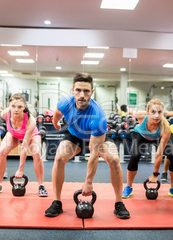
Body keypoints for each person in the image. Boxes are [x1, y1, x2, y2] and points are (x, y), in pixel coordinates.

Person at [44, 73, 130, 219]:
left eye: (86, 91)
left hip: (97, 137)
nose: (82, 95)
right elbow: (57, 113)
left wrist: (88, 182)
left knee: (114, 160)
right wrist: (55, 122)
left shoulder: (98, 117)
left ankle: (119, 203)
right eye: (78, 90)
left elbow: (94, 153)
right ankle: (57, 202)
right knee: (58, 158)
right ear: (73, 90)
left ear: (92, 92)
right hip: (75, 136)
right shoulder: (65, 103)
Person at [122, 99, 173, 200]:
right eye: (153, 112)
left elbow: (159, 154)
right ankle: (129, 187)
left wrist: (155, 174)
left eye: (159, 112)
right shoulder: (141, 115)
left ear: (163, 112)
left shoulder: (166, 128)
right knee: (135, 155)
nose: (156, 116)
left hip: (157, 137)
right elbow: (133, 112)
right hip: (140, 135)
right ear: (147, 112)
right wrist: (128, 111)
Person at [0, 93, 48, 197]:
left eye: (19, 107)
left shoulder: (31, 120)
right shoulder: (4, 114)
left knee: (37, 154)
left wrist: (20, 169)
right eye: (13, 106)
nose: (16, 109)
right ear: (9, 106)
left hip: (31, 135)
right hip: (14, 134)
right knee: (1, 152)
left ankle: (41, 186)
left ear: (24, 106)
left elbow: (24, 146)